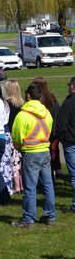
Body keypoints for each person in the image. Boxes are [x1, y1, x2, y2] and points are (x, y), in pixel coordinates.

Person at [10, 83, 56, 227]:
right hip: (45, 151)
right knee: (48, 185)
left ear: (28, 95)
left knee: (30, 187)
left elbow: (16, 137)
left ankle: (28, 219)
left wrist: (19, 146)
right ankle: (50, 215)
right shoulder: (47, 112)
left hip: (30, 153)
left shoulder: (22, 115)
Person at [32, 76, 61, 178]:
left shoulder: (37, 102)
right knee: (53, 151)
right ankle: (55, 169)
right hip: (52, 131)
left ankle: (50, 171)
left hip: (42, 132)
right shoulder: (52, 99)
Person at [54, 76, 75, 213]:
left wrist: (63, 137)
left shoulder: (69, 102)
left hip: (71, 142)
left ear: (72, 87)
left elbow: (61, 124)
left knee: (74, 174)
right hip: (70, 140)